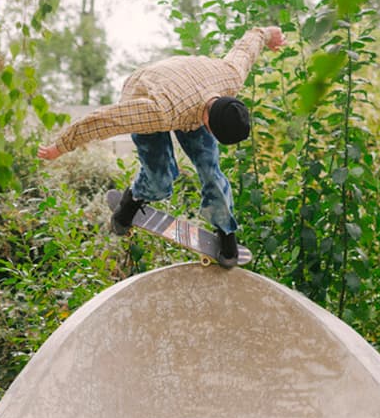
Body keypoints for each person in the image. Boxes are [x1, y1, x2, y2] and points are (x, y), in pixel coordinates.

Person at [38, 23, 285, 267]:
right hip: (147, 90)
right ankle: (132, 200)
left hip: (193, 85)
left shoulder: (231, 77)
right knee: (160, 181)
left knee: (211, 171)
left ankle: (226, 231)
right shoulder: (157, 112)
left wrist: (268, 34)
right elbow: (104, 121)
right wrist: (60, 146)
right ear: (208, 123)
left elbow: (246, 48)